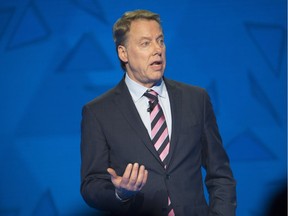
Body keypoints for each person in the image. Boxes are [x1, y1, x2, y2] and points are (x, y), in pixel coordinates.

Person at [80, 9, 237, 216]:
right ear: (123, 53)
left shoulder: (196, 99)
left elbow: (220, 174)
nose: (158, 50)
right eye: (145, 43)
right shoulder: (98, 112)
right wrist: (120, 193)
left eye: (160, 41)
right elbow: (91, 185)